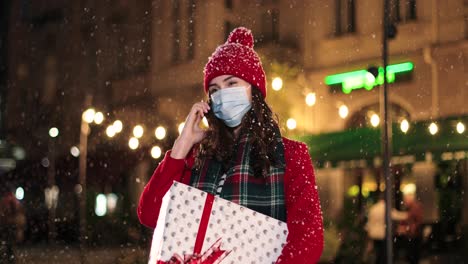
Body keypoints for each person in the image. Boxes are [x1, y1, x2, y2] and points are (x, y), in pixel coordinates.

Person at [138, 27, 323, 263]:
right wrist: (181, 147)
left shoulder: (290, 155)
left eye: (232, 83)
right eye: (214, 90)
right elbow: (151, 214)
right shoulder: (198, 157)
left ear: (253, 89)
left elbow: (308, 238)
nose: (222, 94)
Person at [366, 193, 407, 264]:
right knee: (383, 254)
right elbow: (396, 215)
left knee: (377, 252)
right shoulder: (386, 208)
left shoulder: (373, 208)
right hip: (383, 234)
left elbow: (369, 223)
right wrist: (407, 215)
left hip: (374, 234)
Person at [0, 184, 26, 264]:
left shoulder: (6, 200)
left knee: (7, 245)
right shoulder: (13, 200)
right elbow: (19, 213)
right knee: (10, 245)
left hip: (7, 225)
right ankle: (10, 259)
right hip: (11, 225)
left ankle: (7, 259)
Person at [396, 194, 423, 264]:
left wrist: (409, 228)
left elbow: (417, 221)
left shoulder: (415, 207)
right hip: (411, 235)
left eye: (405, 200)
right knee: (412, 255)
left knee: (413, 255)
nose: (405, 202)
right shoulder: (411, 208)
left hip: (413, 235)